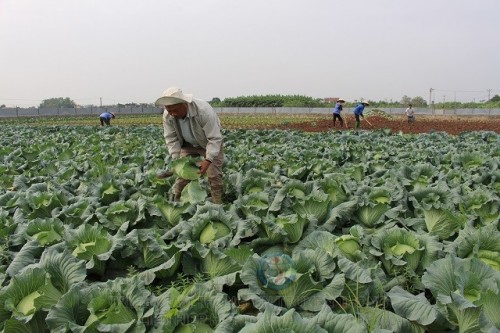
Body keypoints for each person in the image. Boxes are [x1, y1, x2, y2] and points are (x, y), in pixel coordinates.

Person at [155, 87, 224, 204]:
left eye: (175, 110)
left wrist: (208, 160)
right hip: (187, 144)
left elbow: (214, 138)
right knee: (182, 175)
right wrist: (177, 162)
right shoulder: (168, 115)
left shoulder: (203, 111)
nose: (172, 113)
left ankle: (217, 203)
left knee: (214, 175)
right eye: (169, 110)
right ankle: (176, 202)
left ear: (184, 104)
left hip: (208, 143)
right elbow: (171, 138)